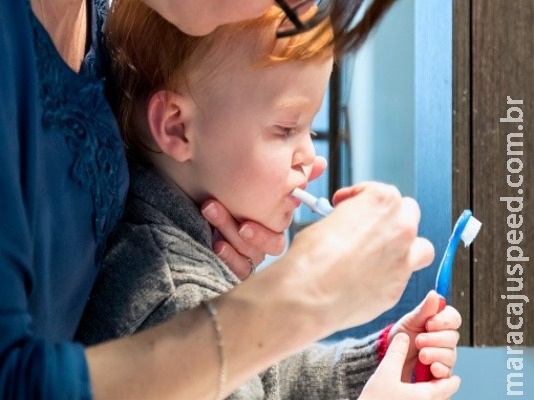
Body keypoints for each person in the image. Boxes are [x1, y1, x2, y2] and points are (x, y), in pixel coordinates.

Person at [0, 0, 459, 399]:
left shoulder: (180, 239)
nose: (309, 159)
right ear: (177, 127)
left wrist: (375, 361)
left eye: (311, 130)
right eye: (286, 129)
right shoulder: (173, 297)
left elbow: (263, 378)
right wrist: (300, 295)